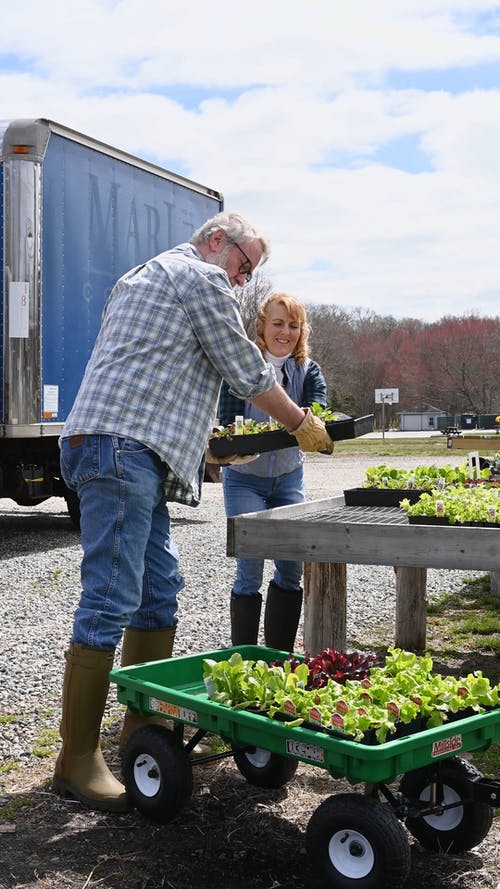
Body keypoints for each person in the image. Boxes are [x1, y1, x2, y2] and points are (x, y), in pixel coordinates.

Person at [52, 212, 334, 813]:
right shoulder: (197, 276)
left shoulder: (140, 279)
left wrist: (199, 439)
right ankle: (77, 760)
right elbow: (243, 367)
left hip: (127, 447)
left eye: (249, 273)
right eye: (243, 266)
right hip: (121, 446)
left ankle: (141, 738)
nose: (240, 281)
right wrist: (298, 421)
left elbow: (157, 371)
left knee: (159, 593)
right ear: (215, 242)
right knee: (111, 596)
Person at [219, 292, 329, 653]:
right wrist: (228, 444)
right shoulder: (243, 367)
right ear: (262, 327)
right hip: (244, 478)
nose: (285, 332)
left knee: (291, 566)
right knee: (249, 567)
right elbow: (226, 419)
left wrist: (315, 423)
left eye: (293, 326)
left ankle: (279, 658)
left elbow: (317, 408)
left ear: (302, 331)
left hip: (288, 478)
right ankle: (244, 660)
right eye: (278, 323)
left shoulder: (307, 370)